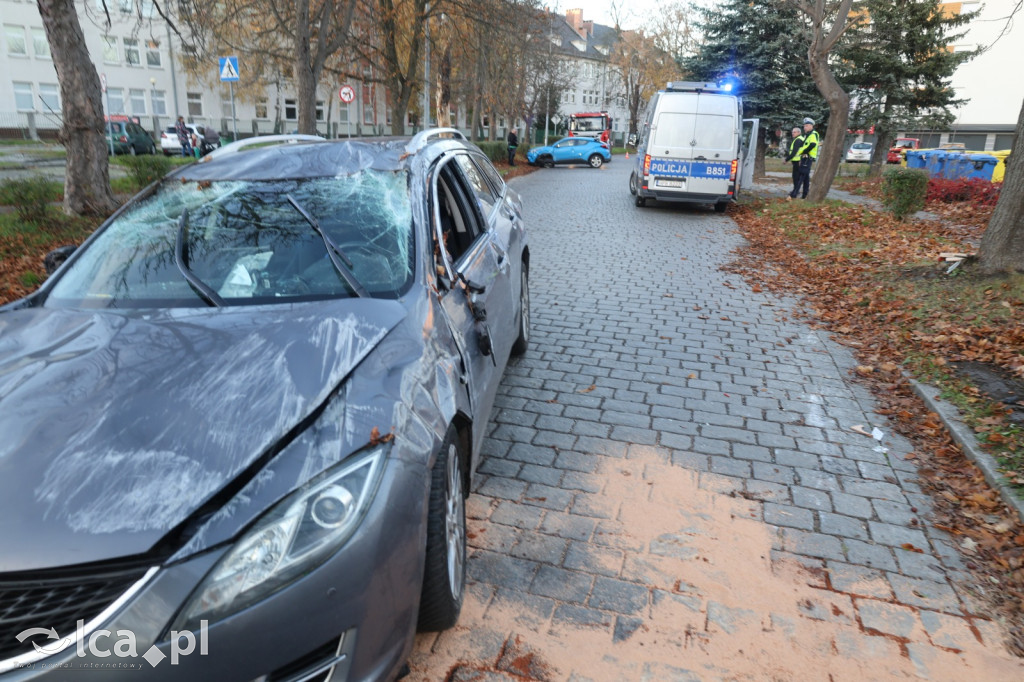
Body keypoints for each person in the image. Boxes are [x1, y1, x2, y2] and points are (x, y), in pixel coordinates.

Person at [791, 117, 821, 199]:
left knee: (802, 175)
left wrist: (804, 152)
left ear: (812, 126)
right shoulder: (807, 135)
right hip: (804, 158)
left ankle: (794, 193)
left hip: (808, 157)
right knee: (806, 177)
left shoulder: (813, 134)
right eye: (804, 126)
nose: (805, 127)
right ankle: (805, 194)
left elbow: (813, 144)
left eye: (807, 126)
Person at [785, 126, 803, 201]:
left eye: (794, 132)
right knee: (797, 177)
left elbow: (794, 152)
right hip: (797, 161)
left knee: (796, 177)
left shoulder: (798, 140)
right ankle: (796, 191)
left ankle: (795, 192)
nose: (793, 133)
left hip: (798, 161)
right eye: (792, 132)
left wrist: (786, 159)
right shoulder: (799, 139)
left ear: (799, 132)